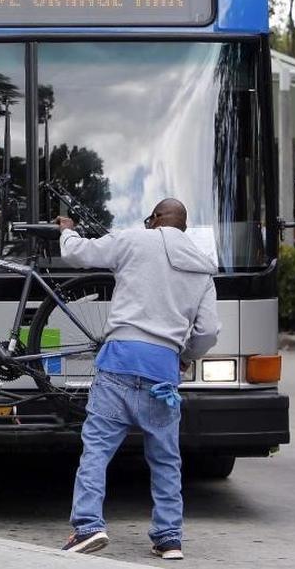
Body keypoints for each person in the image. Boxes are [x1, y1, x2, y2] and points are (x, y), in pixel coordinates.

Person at [57, 199, 220, 560]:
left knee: (97, 450)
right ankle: (169, 538)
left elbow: (80, 254)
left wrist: (67, 232)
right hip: (162, 370)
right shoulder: (202, 268)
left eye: (151, 219)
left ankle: (87, 527)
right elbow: (208, 331)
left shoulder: (134, 240)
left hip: (119, 361)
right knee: (165, 458)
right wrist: (185, 356)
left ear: (158, 219)